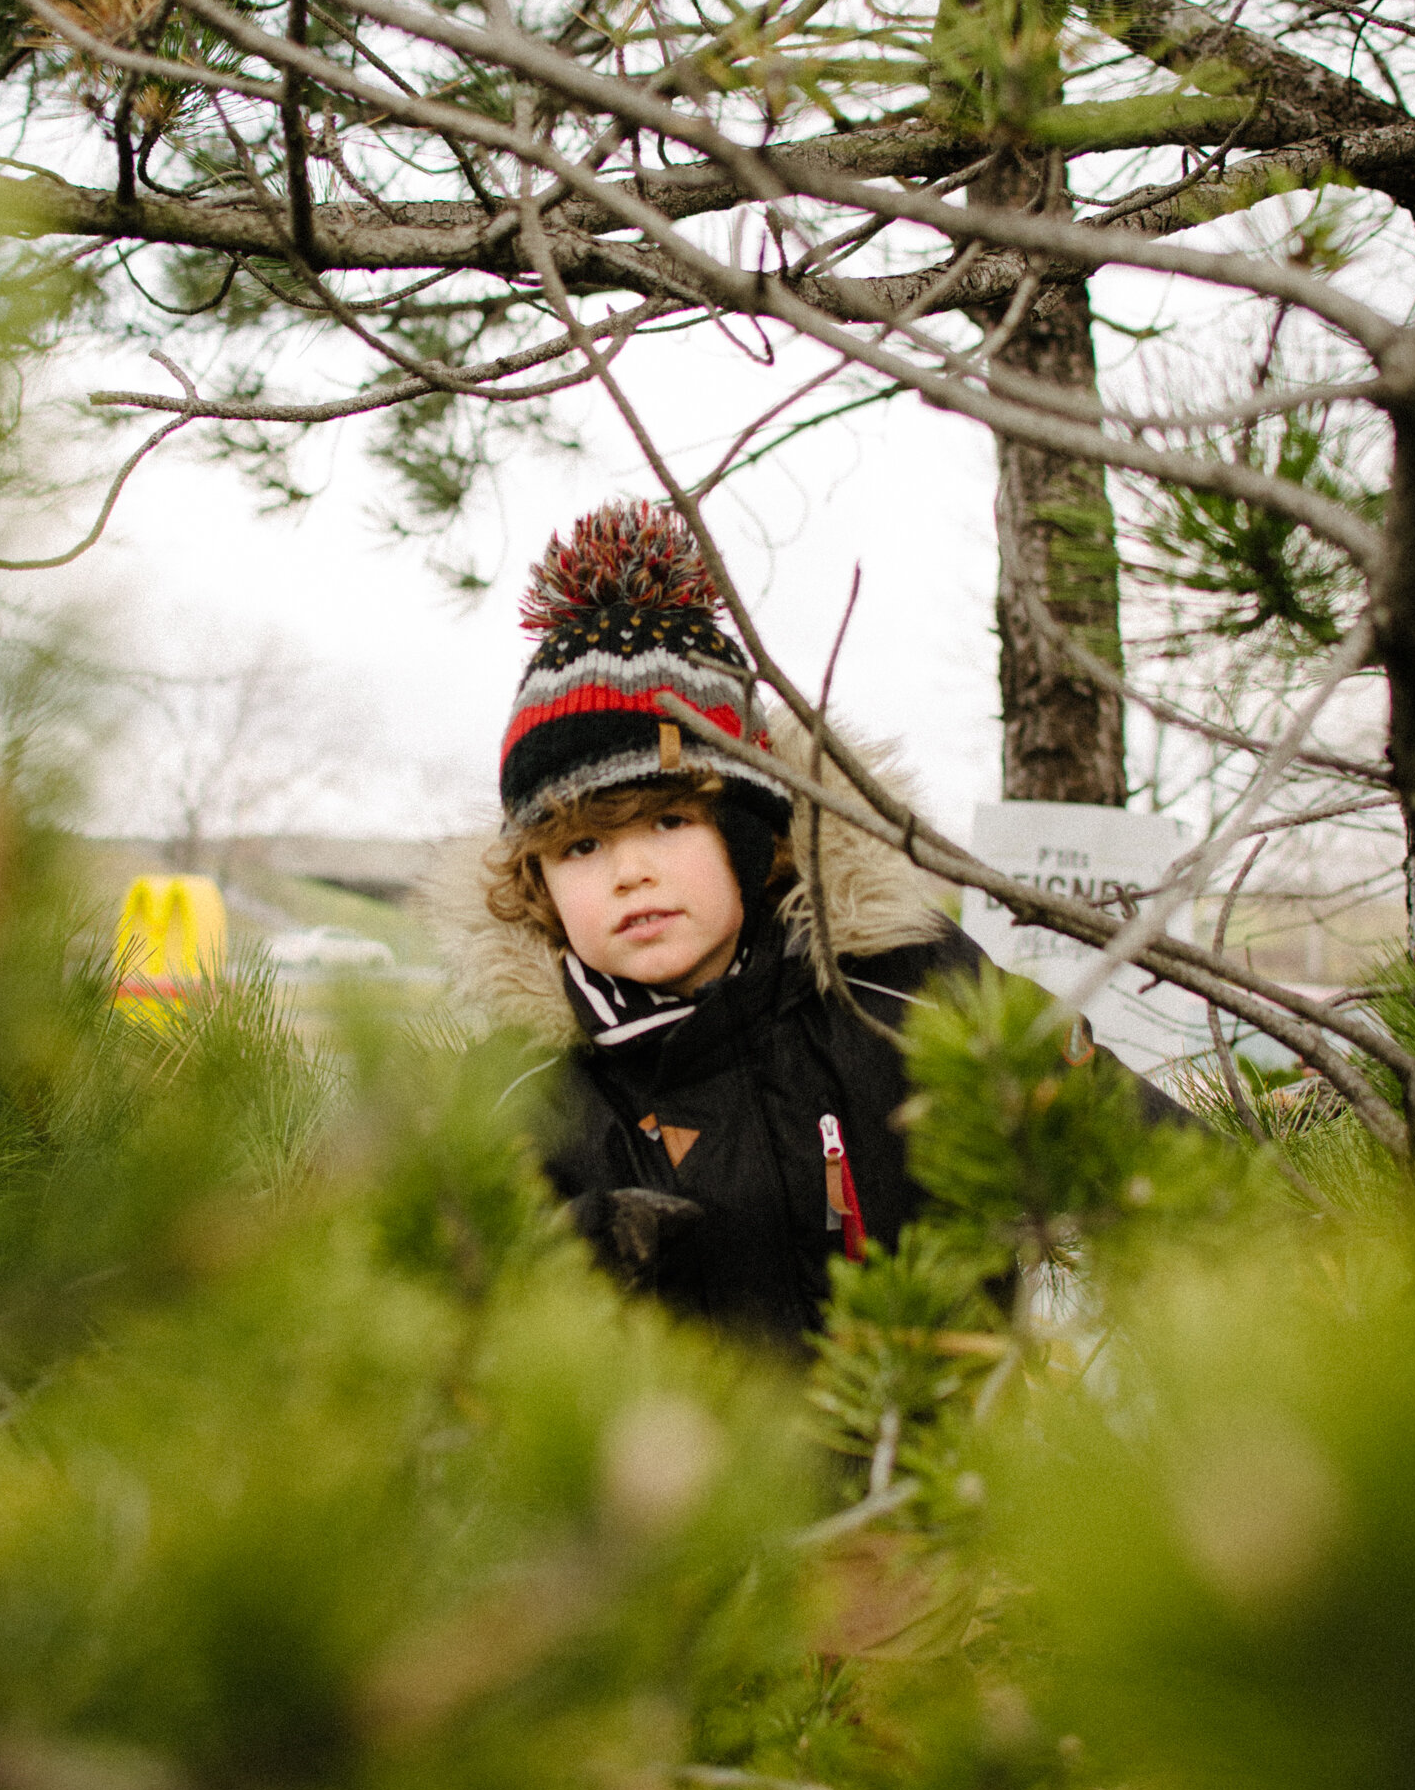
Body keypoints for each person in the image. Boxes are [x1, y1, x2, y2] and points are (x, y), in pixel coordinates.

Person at [446, 499, 1183, 1346]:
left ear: (752, 829)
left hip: (956, 1464)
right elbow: (416, 1318)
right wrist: (550, 1267)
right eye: (579, 845)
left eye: (669, 821)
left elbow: (1130, 1138)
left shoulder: (906, 984)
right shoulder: (520, 1090)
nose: (628, 871)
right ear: (535, 879)